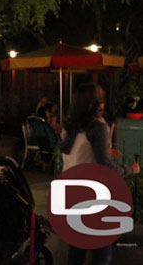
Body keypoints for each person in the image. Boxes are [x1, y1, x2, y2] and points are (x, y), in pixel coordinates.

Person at [60, 82, 140, 265]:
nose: (103, 104)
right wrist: (131, 169)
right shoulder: (98, 127)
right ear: (94, 103)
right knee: (102, 255)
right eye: (101, 100)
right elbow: (106, 168)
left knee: (77, 253)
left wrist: (102, 150)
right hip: (91, 197)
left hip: (68, 195)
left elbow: (77, 154)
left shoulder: (68, 127)